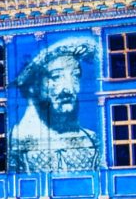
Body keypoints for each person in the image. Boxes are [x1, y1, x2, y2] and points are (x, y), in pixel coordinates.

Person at [10, 38, 99, 173]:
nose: (68, 88)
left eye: (75, 76)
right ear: (33, 85)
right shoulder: (13, 140)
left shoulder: (92, 139)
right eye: (56, 77)